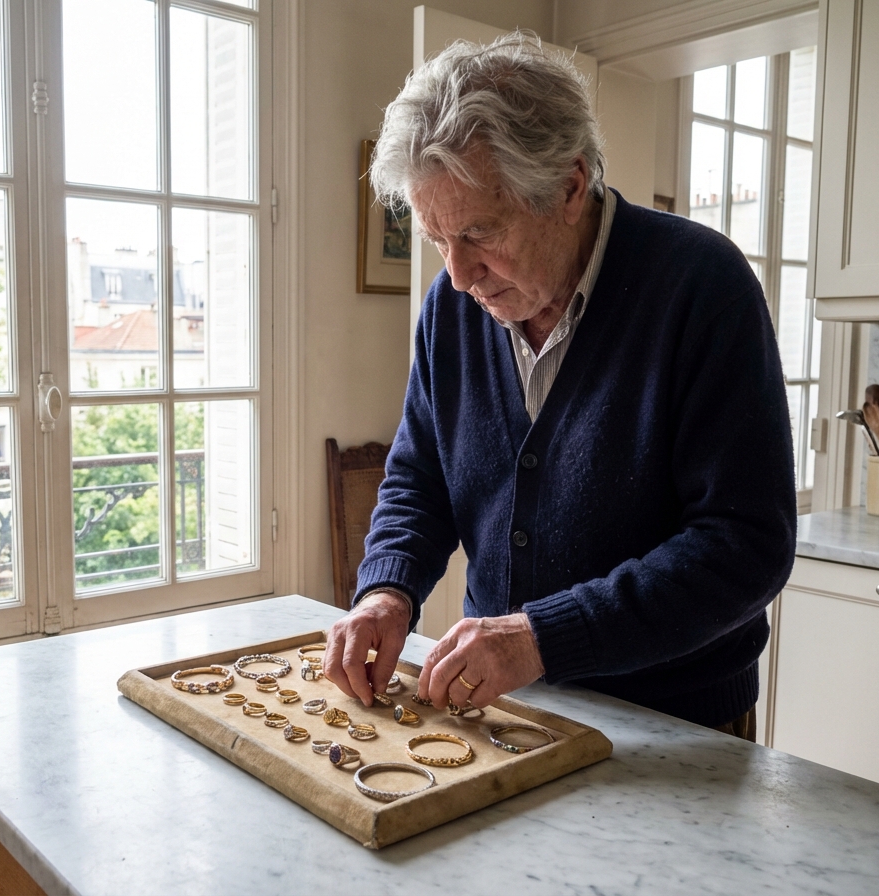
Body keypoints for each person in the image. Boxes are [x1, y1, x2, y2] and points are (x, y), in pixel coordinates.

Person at [323, 32, 796, 740]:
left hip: (678, 726)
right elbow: (420, 480)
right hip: (502, 711)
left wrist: (541, 637)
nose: (458, 275)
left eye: (479, 233)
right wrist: (386, 591)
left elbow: (746, 545)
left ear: (571, 187)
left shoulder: (704, 287)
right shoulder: (451, 308)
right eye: (438, 240)